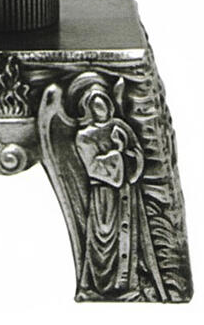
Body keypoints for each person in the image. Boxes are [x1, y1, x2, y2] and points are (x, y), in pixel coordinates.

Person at [75, 90, 146, 300]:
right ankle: (99, 286)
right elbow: (93, 166)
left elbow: (137, 152)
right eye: (97, 107)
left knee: (126, 236)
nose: (102, 110)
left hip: (125, 193)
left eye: (104, 105)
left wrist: (127, 151)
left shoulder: (119, 127)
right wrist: (118, 151)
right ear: (89, 110)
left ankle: (126, 285)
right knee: (103, 237)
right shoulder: (84, 136)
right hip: (103, 195)